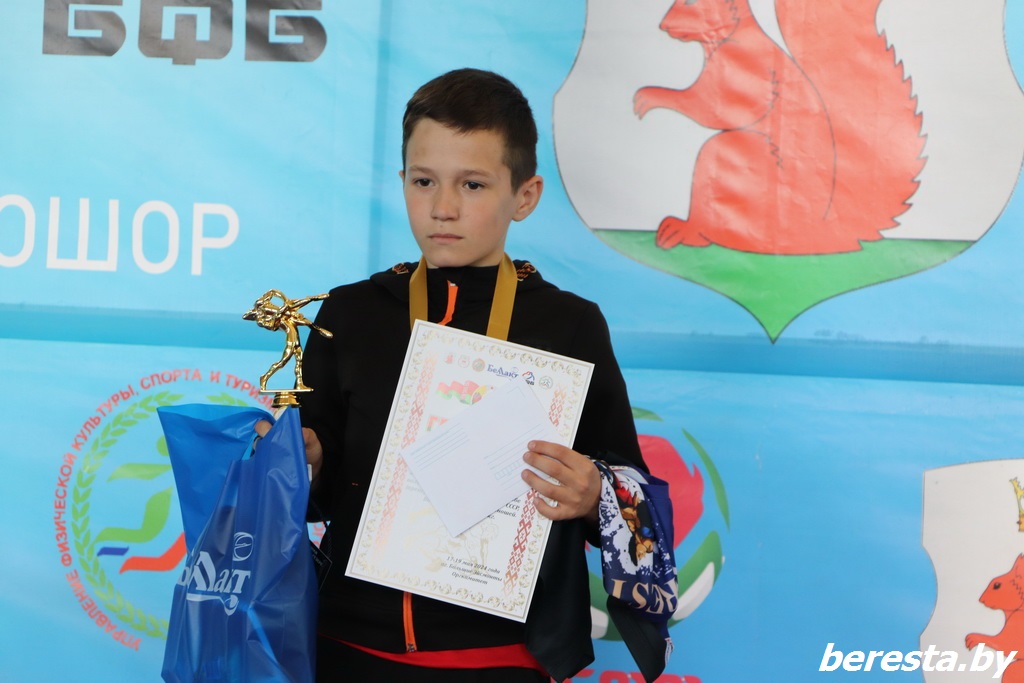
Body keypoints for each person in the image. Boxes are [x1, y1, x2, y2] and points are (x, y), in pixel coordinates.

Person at [267, 68, 667, 682]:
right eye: (424, 181)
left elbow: (630, 486)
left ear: (525, 196)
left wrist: (594, 497)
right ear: (402, 180)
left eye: (473, 184)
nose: (443, 208)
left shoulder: (569, 325)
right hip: (346, 645)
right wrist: (304, 462)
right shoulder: (350, 313)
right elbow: (318, 496)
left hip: (501, 657)